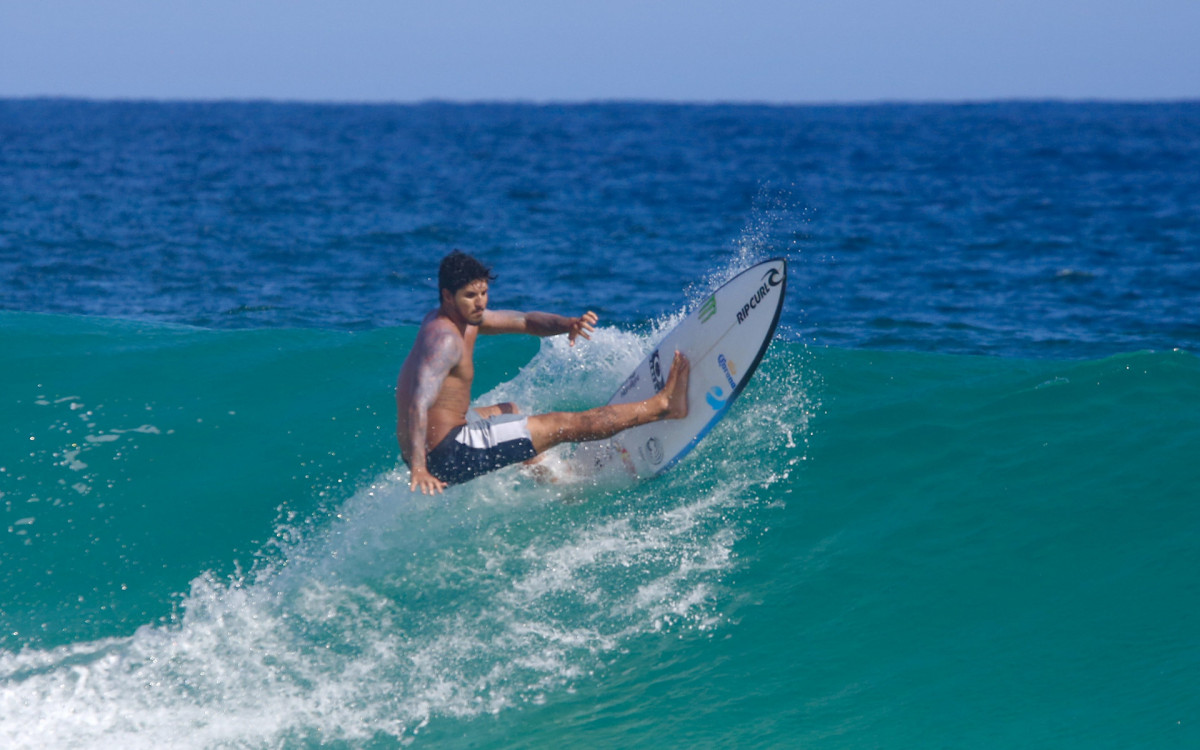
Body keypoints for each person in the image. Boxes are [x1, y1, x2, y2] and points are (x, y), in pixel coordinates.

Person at [396, 250, 690, 494]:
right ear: (448, 296)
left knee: (509, 410)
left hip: (438, 440)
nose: (481, 302)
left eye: (484, 292)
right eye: (471, 295)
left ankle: (556, 485)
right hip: (449, 451)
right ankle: (665, 406)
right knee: (563, 424)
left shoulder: (460, 318)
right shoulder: (445, 340)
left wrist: (567, 325)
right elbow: (418, 403)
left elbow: (524, 321)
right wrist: (420, 469)